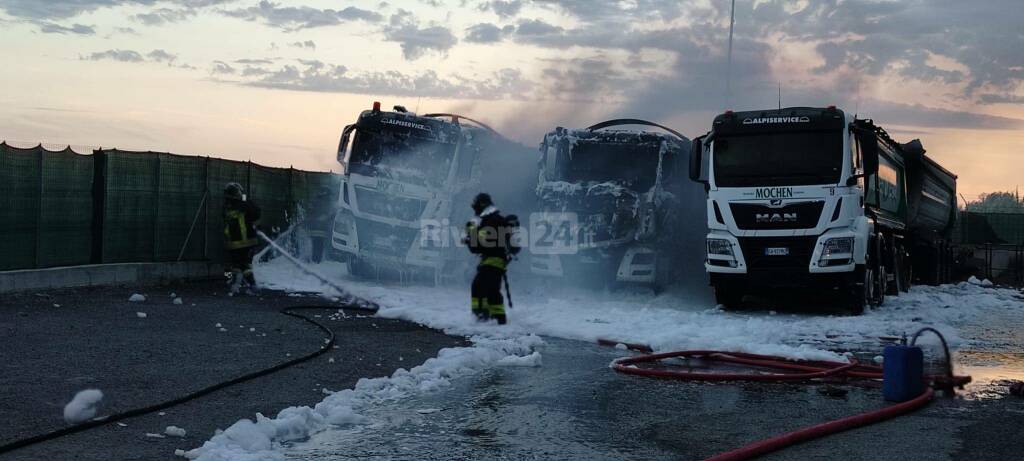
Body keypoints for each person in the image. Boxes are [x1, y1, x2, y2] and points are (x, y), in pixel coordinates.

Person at [464, 193, 518, 325]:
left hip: (493, 261)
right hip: (493, 261)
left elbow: (479, 246)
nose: (475, 209)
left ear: (482, 205)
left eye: (476, 206)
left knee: (485, 288)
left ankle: (492, 319)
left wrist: (471, 235)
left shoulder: (490, 221)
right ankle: (486, 318)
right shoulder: (493, 220)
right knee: (483, 288)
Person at [223, 182, 261, 295]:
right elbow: (256, 213)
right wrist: (244, 197)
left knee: (236, 265)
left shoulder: (226, 207)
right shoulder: (244, 204)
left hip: (233, 243)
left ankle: (235, 285)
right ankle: (252, 285)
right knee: (246, 265)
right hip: (247, 241)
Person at [307, 186, 334, 264]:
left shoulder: (315, 200)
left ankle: (314, 260)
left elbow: (310, 213)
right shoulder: (325, 202)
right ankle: (316, 261)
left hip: (315, 229)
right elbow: (327, 214)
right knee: (319, 245)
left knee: (316, 245)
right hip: (320, 229)